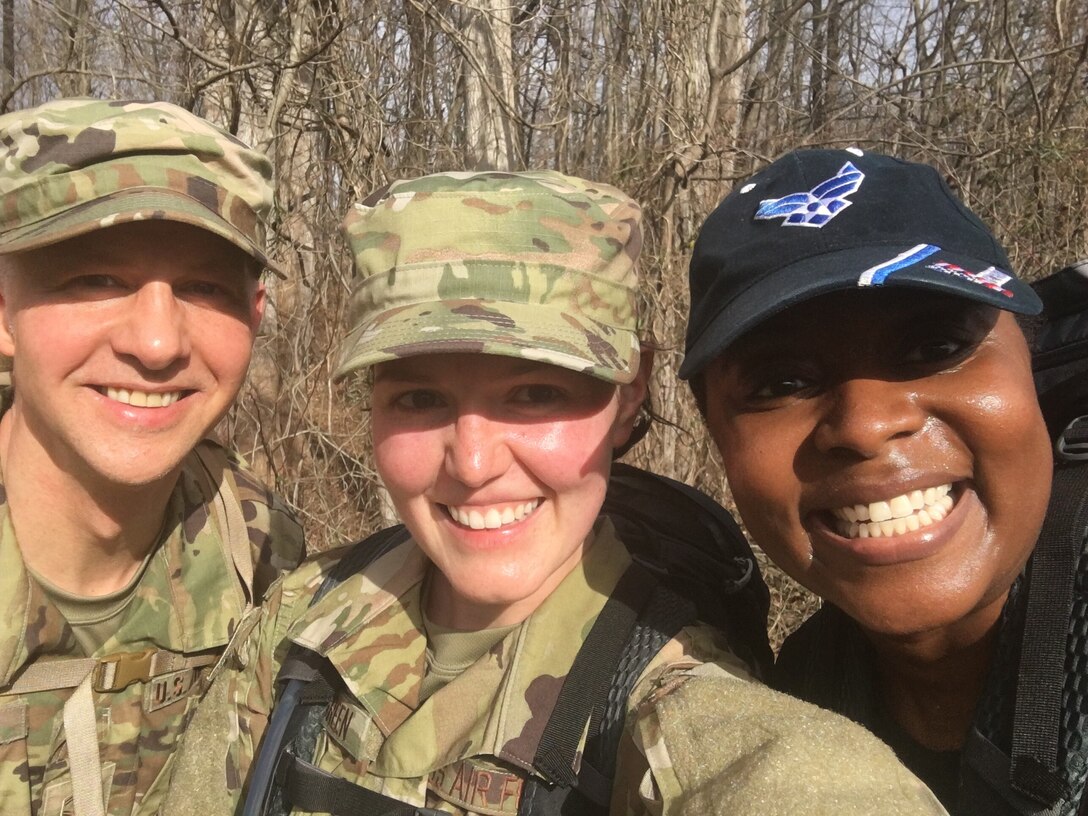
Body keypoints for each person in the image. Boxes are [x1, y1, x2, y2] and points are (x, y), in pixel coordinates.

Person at [180, 169, 949, 816]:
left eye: (536, 394)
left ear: (630, 393)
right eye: (419, 399)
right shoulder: (303, 620)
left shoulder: (672, 710)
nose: (474, 462)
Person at [680, 147, 1078, 813]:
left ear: (1030, 367)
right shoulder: (792, 703)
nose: (865, 426)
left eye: (934, 349)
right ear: (719, 441)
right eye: (782, 383)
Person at [0, 98, 305, 816]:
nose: (159, 342)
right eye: (96, 280)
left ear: (254, 316)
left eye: (204, 287)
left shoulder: (259, 546)